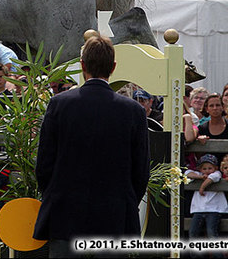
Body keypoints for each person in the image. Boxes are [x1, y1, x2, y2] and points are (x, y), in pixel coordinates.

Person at [33, 34, 149, 256]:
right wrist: (124, 201)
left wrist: (56, 195)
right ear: (113, 67)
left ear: (82, 65)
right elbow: (141, 170)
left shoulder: (59, 104)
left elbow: (44, 165)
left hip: (65, 213)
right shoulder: (133, 111)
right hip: (114, 216)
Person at [184, 153, 228, 239]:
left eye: (210, 168)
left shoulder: (217, 174)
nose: (207, 171)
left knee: (212, 233)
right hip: (199, 209)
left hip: (214, 209)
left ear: (215, 168)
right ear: (200, 169)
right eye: (204, 168)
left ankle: (217, 252)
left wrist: (202, 187)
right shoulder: (199, 174)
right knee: (193, 233)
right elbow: (187, 173)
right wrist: (200, 177)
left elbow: (211, 178)